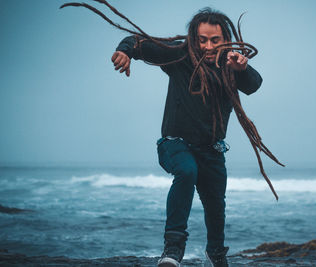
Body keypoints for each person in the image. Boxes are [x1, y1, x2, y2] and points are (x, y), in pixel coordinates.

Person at [111, 8, 262, 267]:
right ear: (193, 37)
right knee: (187, 171)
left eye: (214, 40)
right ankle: (172, 250)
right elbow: (141, 43)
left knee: (216, 203)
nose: (207, 46)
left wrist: (242, 69)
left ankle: (215, 254)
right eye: (202, 39)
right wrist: (125, 51)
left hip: (212, 150)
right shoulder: (180, 55)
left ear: (225, 39)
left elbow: (254, 85)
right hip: (174, 144)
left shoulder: (231, 64)